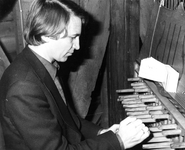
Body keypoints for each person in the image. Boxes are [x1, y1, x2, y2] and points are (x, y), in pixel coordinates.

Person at [0, 0, 150, 149]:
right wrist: (118, 141)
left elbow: (67, 120)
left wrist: (102, 132)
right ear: (47, 34)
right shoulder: (24, 87)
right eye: (72, 37)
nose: (77, 46)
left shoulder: (41, 65)